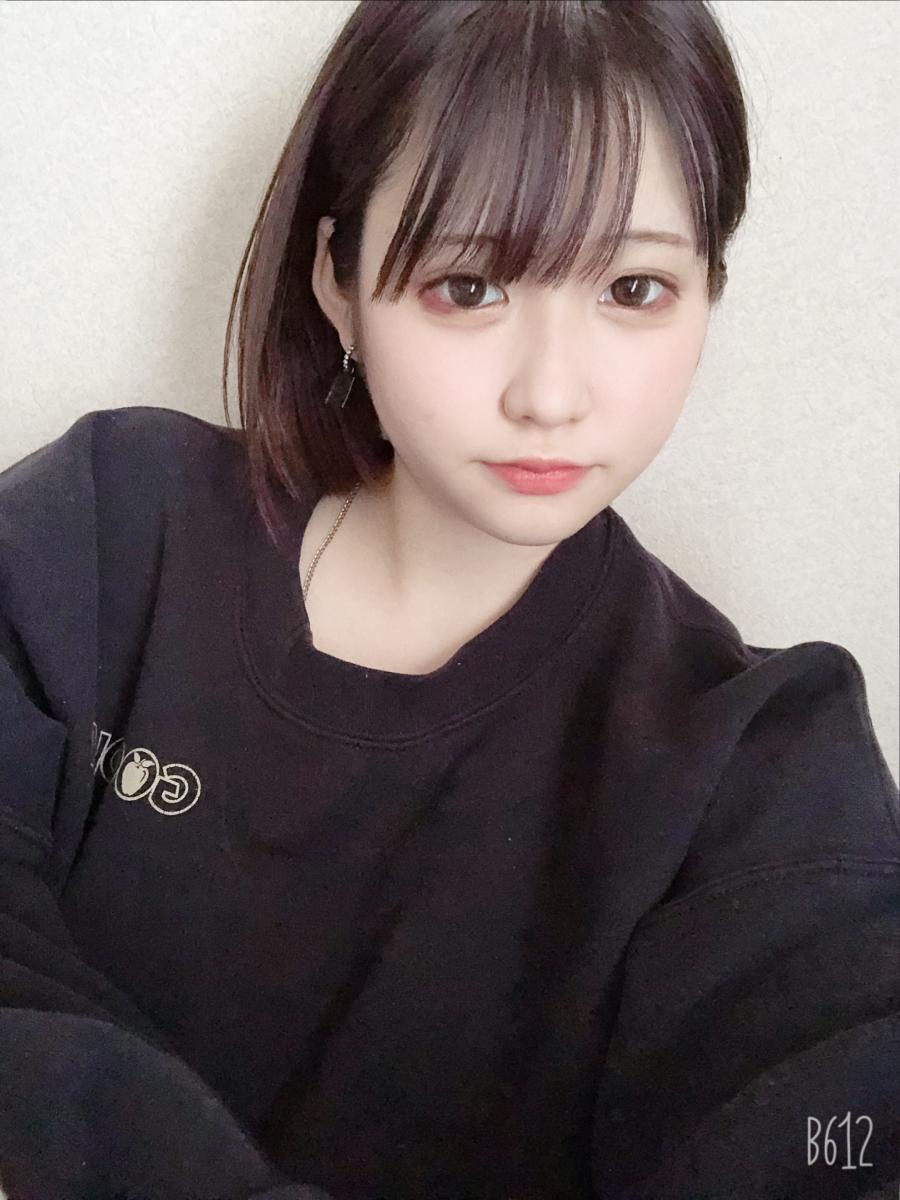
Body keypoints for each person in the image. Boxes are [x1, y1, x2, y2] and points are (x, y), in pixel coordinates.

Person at [0, 1, 897, 1197]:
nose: (551, 394)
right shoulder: (107, 537)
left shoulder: (757, 760)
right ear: (338, 281)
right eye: (469, 286)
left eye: (634, 288)